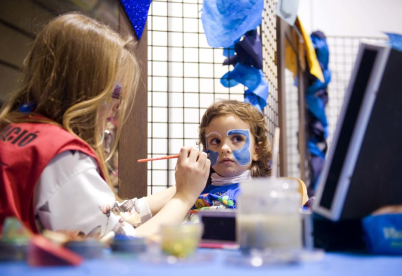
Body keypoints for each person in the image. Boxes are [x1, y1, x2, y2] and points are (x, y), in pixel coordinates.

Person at [0, 13, 210, 239]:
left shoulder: (17, 129)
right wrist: (184, 197)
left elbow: (109, 212)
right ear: (85, 88)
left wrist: (186, 188)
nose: (116, 107)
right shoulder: (63, 157)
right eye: (115, 92)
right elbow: (122, 247)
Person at [190, 99, 272, 211]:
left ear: (256, 151)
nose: (224, 148)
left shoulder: (263, 197)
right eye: (215, 141)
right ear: (206, 152)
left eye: (237, 138)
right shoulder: (193, 192)